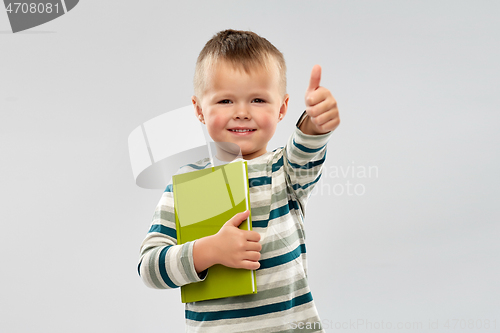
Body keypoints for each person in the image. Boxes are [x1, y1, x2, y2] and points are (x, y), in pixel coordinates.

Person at [138, 29, 340, 332]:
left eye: (258, 99)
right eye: (225, 101)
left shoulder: (284, 172)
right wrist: (208, 251)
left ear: (283, 108)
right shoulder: (186, 185)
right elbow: (149, 267)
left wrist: (314, 123)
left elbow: (304, 153)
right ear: (199, 110)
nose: (242, 113)